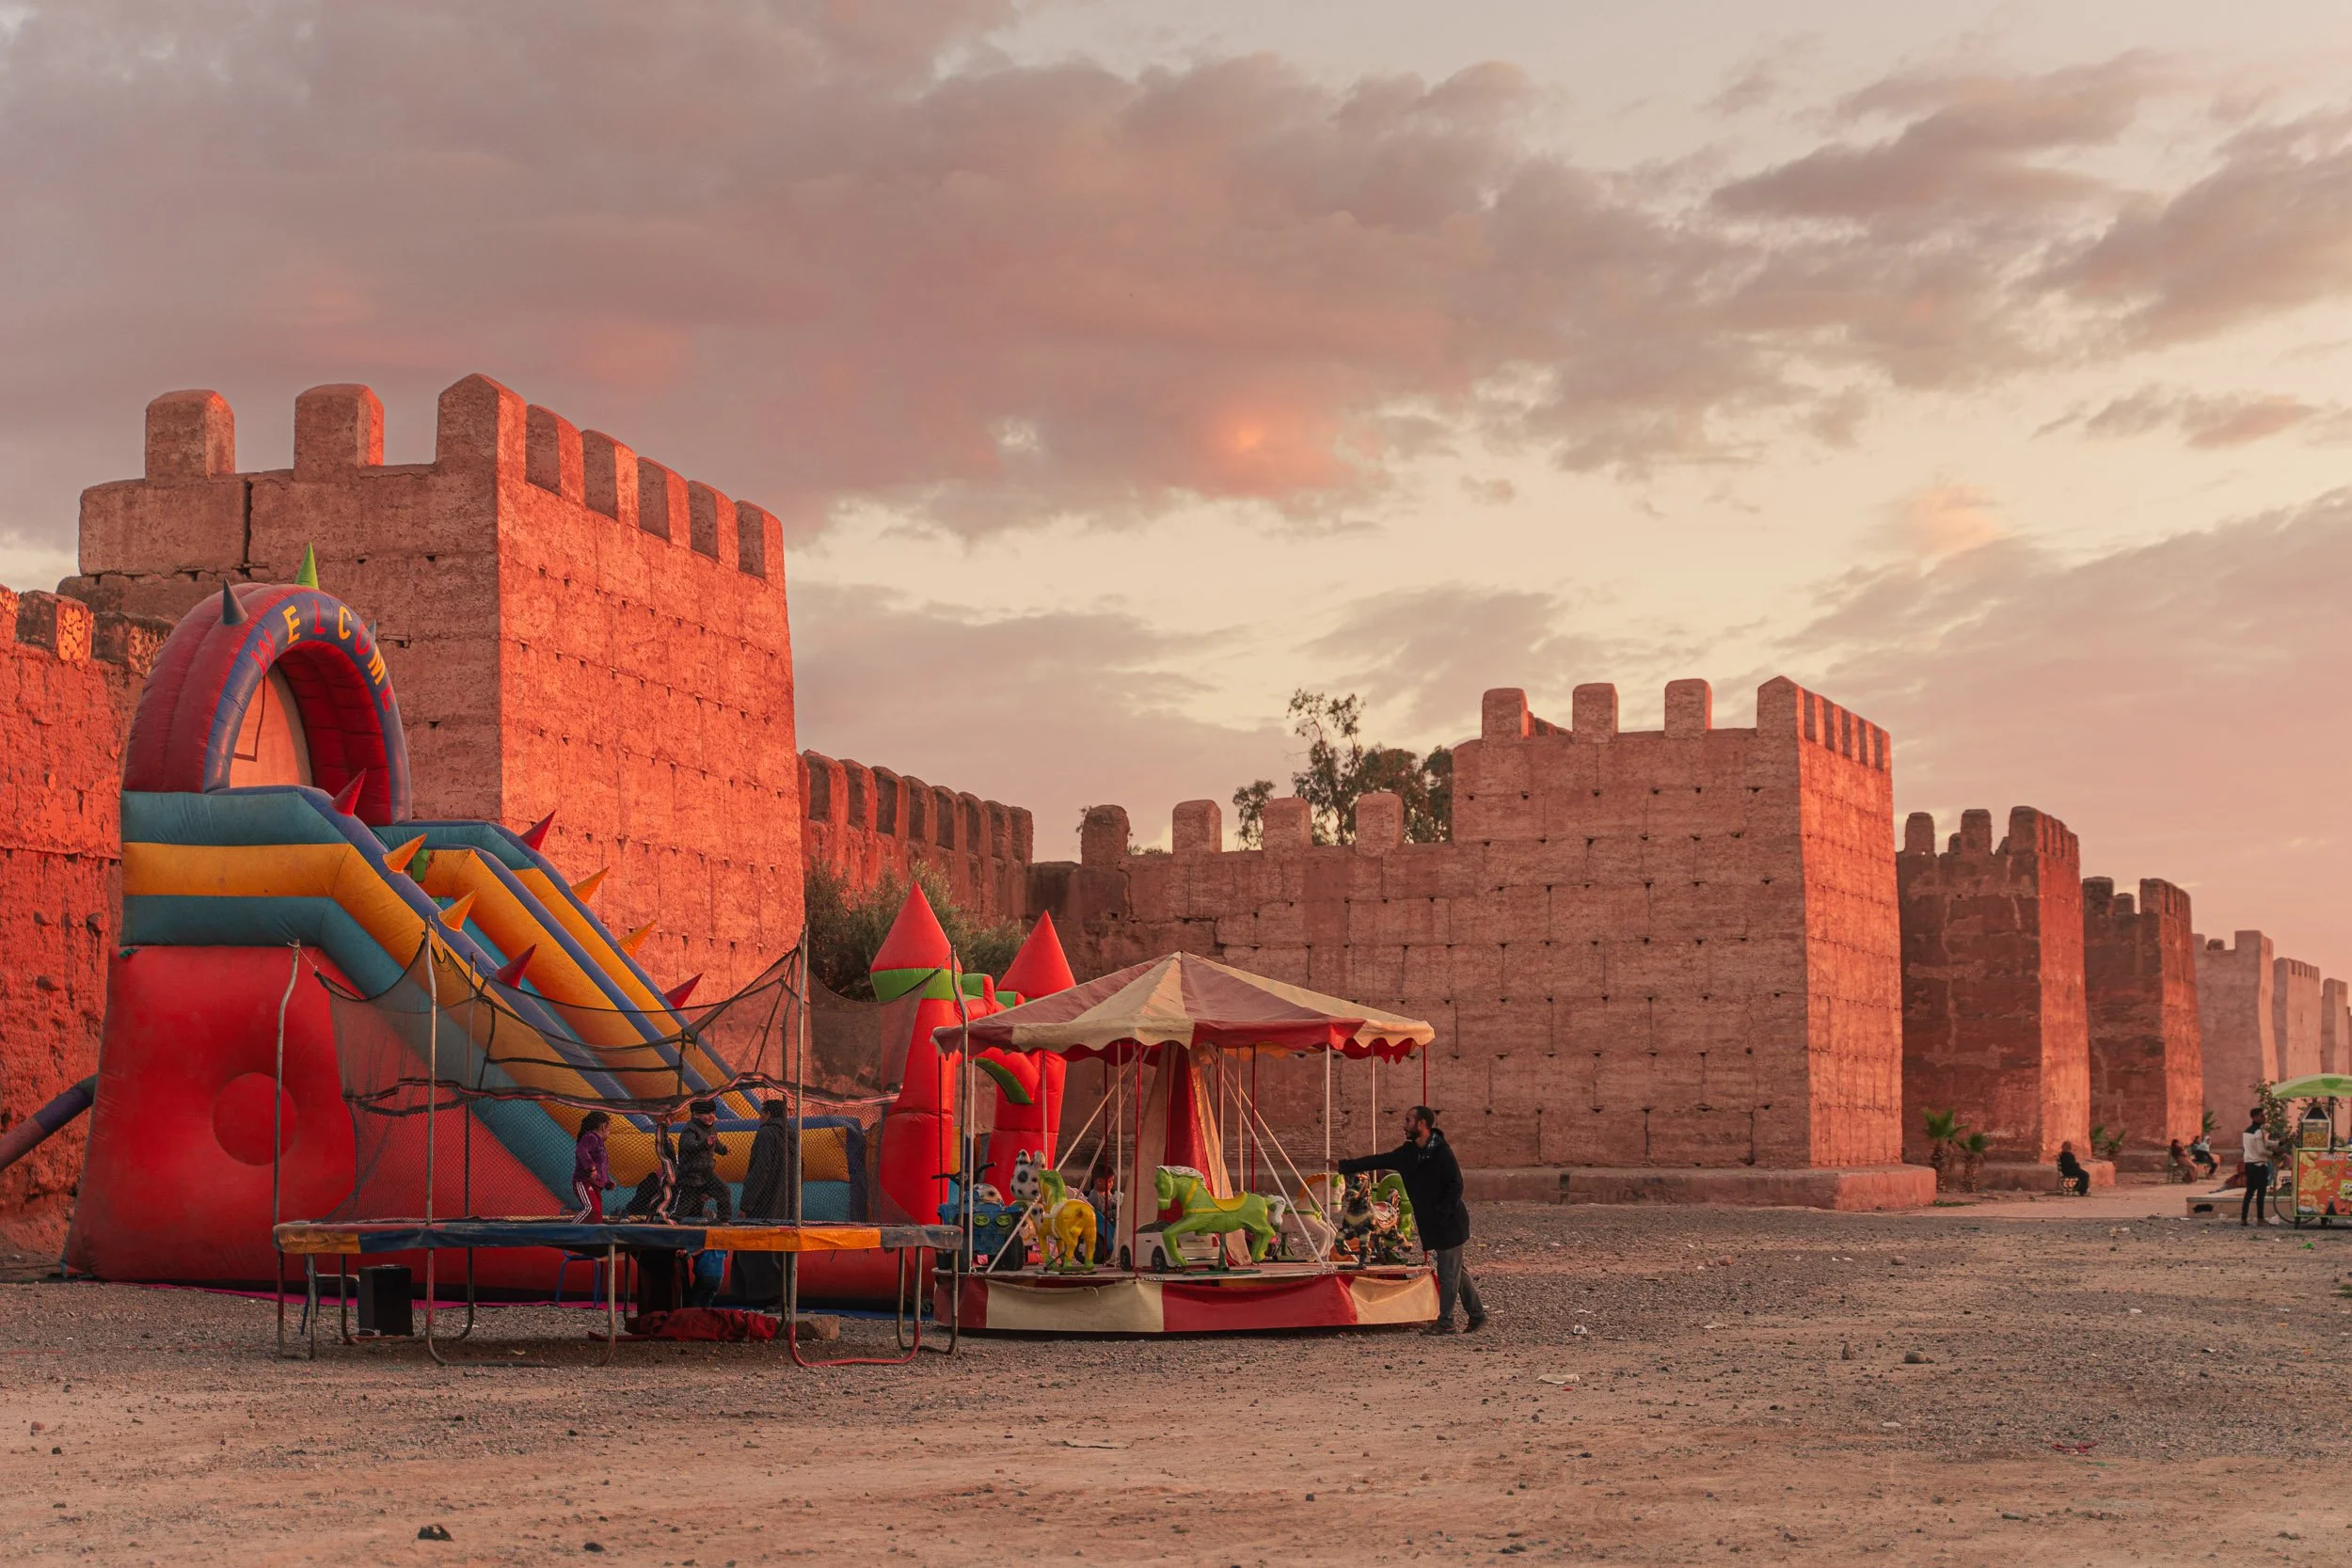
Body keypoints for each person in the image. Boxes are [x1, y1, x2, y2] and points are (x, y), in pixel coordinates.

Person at [1338, 1105, 1486, 1336]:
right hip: (1434, 1223)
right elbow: (1378, 1160)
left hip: (1450, 1223)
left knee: (1448, 1273)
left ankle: (1446, 1322)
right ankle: (1477, 1315)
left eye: (1408, 1120)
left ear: (1422, 1125)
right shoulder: (1408, 1154)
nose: (1404, 1125)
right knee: (1456, 1271)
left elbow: (1456, 1185)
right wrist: (1344, 1166)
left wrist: (1442, 1212)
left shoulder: (1442, 1153)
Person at [735, 1100, 794, 1306]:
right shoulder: (792, 1134)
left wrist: (746, 1205)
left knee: (755, 1250)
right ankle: (784, 1298)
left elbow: (760, 1171)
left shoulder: (766, 1134)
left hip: (765, 1205)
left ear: (768, 1113)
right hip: (787, 1205)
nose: (759, 1116)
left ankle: (766, 1296)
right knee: (782, 1253)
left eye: (761, 1112)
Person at [672, 1100, 733, 1222]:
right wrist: (704, 1144)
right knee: (685, 1203)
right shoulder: (690, 1129)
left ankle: (723, 1220)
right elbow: (688, 1145)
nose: (712, 1116)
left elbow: (715, 1143)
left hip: (706, 1172)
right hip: (691, 1174)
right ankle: (673, 1220)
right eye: (707, 1113)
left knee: (724, 1191)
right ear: (696, 1115)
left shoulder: (710, 1128)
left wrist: (723, 1149)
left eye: (713, 1113)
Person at [571, 1110, 614, 1221]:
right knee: (591, 1209)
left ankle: (593, 1236)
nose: (610, 1132)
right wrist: (591, 1167)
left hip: (596, 1185)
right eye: (610, 1129)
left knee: (597, 1215)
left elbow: (602, 1167)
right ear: (604, 1127)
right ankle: (570, 1231)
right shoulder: (591, 1137)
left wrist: (607, 1182)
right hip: (584, 1181)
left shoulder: (600, 1143)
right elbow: (581, 1151)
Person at [2242, 1110, 2279, 1227]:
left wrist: (2276, 1143)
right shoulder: (2259, 1131)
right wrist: (2274, 1154)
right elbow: (2261, 1150)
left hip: (2249, 1164)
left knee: (2249, 1192)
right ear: (2255, 1117)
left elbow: (2264, 1142)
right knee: (2261, 1193)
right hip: (2259, 1165)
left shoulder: (2247, 1131)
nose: (2264, 1117)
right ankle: (2260, 1218)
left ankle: (2243, 1218)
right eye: (2261, 1115)